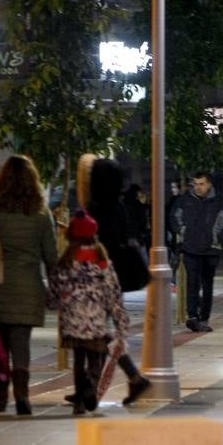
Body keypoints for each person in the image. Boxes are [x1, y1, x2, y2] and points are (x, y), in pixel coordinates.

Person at [0, 155, 59, 416]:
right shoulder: (41, 212)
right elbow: (51, 257)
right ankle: (22, 395)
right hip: (29, 289)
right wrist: (56, 288)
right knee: (21, 343)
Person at [79, 156, 152, 404]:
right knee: (98, 331)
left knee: (95, 332)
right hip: (116, 278)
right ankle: (92, 390)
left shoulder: (94, 209)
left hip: (97, 277)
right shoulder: (118, 206)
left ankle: (131, 378)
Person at [47, 210, 131, 416]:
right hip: (96, 321)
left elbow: (56, 288)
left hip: (72, 321)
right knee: (97, 357)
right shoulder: (101, 260)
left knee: (78, 359)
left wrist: (53, 303)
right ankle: (91, 388)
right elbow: (113, 292)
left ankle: (79, 402)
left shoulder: (66, 260)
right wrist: (121, 321)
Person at [170, 171, 223, 333]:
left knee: (208, 285)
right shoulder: (185, 200)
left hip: (211, 249)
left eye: (201, 184)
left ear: (209, 184)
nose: (198, 187)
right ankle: (192, 316)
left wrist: (216, 236)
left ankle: (204, 317)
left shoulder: (219, 201)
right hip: (190, 248)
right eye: (196, 184)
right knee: (192, 283)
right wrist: (183, 231)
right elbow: (174, 217)